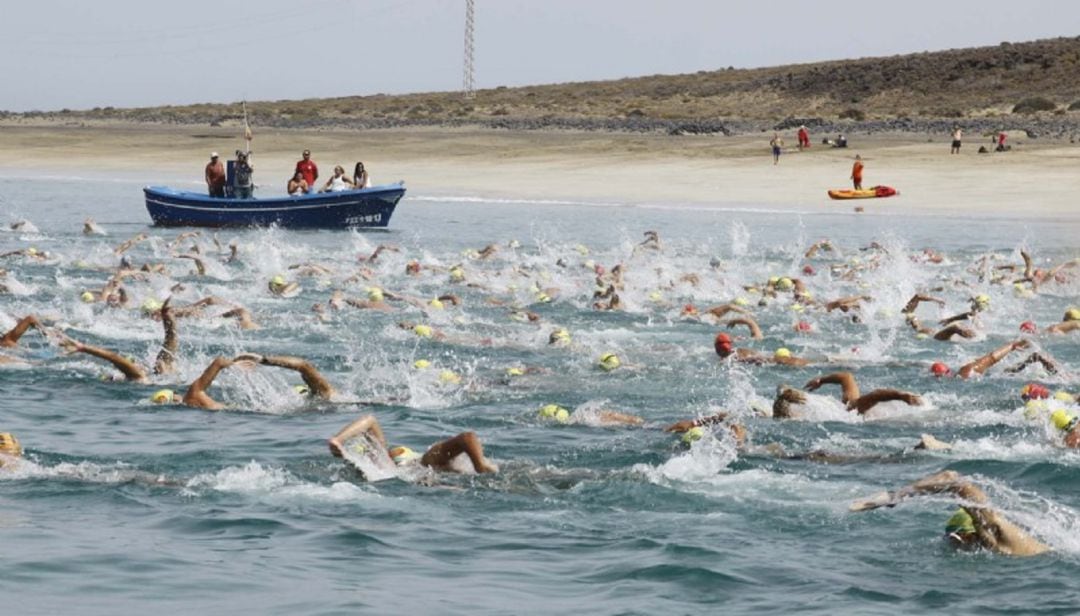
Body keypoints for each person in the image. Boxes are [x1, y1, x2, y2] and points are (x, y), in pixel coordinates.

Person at [849, 470, 1050, 556]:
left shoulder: (999, 539)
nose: (954, 545)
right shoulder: (1006, 545)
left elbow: (956, 482)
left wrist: (898, 496)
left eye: (953, 539)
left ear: (967, 535)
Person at [327, 414, 498, 477]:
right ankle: (481, 468)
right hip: (421, 464)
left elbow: (370, 420)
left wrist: (339, 440)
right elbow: (468, 437)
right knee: (467, 439)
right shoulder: (386, 462)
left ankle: (338, 441)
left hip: (417, 470)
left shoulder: (382, 463)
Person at [803, 371, 923, 414]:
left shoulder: (850, 408)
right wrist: (821, 380)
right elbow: (846, 376)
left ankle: (901, 395)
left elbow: (875, 395)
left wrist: (900, 396)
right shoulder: (849, 402)